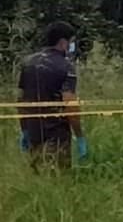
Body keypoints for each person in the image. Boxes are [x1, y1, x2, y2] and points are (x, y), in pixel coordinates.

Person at [17, 21, 88, 171]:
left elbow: (22, 100)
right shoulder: (65, 66)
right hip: (57, 134)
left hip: (34, 131)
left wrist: (24, 129)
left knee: (37, 179)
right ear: (63, 42)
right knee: (58, 178)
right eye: (71, 42)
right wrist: (80, 136)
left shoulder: (28, 63)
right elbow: (70, 105)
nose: (71, 46)